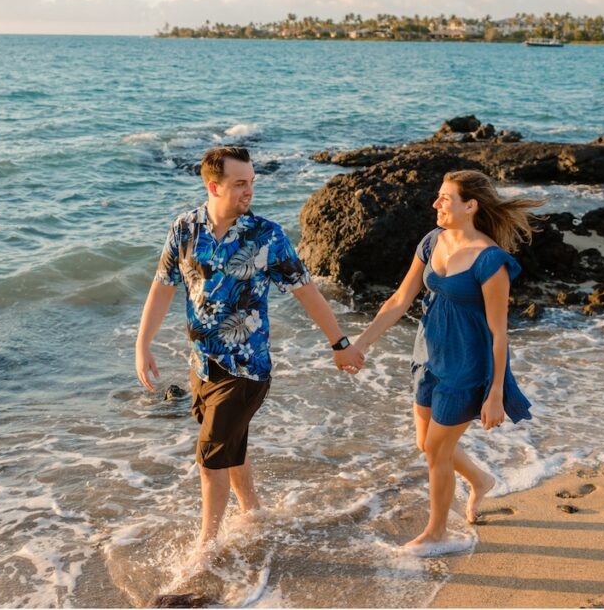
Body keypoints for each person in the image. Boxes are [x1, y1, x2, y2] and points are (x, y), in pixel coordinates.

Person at [135, 146, 365, 562]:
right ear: (214, 186)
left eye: (252, 182)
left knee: (210, 458)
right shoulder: (185, 229)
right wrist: (143, 344)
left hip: (246, 369)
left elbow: (305, 289)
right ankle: (252, 509)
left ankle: (206, 546)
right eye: (241, 183)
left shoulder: (266, 236)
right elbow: (163, 286)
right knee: (230, 444)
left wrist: (340, 343)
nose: (249, 190)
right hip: (201, 364)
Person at [355, 169, 541, 557]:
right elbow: (400, 299)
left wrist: (493, 395)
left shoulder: (491, 261)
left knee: (437, 452)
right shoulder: (431, 241)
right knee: (425, 444)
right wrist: (362, 343)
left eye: (445, 198)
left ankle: (437, 532)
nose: (436, 204)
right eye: (438, 196)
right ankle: (481, 479)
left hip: (466, 368)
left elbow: (499, 332)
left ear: (470, 206)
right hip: (428, 357)